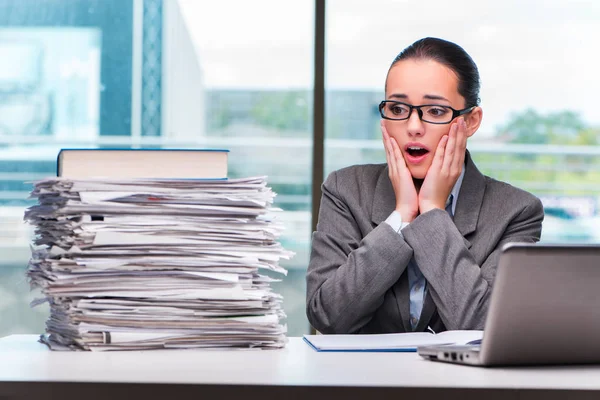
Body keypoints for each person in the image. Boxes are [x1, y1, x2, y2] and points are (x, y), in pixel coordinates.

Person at [306, 37, 544, 334]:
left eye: (435, 111)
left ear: (471, 121)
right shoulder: (345, 189)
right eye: (397, 109)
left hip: (460, 381)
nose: (414, 127)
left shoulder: (517, 211)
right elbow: (328, 317)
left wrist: (432, 213)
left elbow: (486, 328)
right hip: (367, 379)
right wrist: (401, 216)